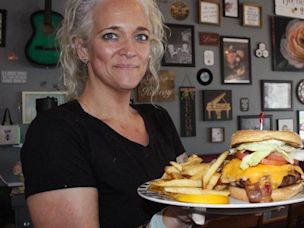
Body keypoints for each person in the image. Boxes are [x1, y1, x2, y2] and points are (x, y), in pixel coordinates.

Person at [20, 0, 193, 227]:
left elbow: (193, 192)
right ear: (82, 48)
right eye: (111, 35)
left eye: (141, 37)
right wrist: (163, 223)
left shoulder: (159, 117)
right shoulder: (55, 131)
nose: (130, 50)